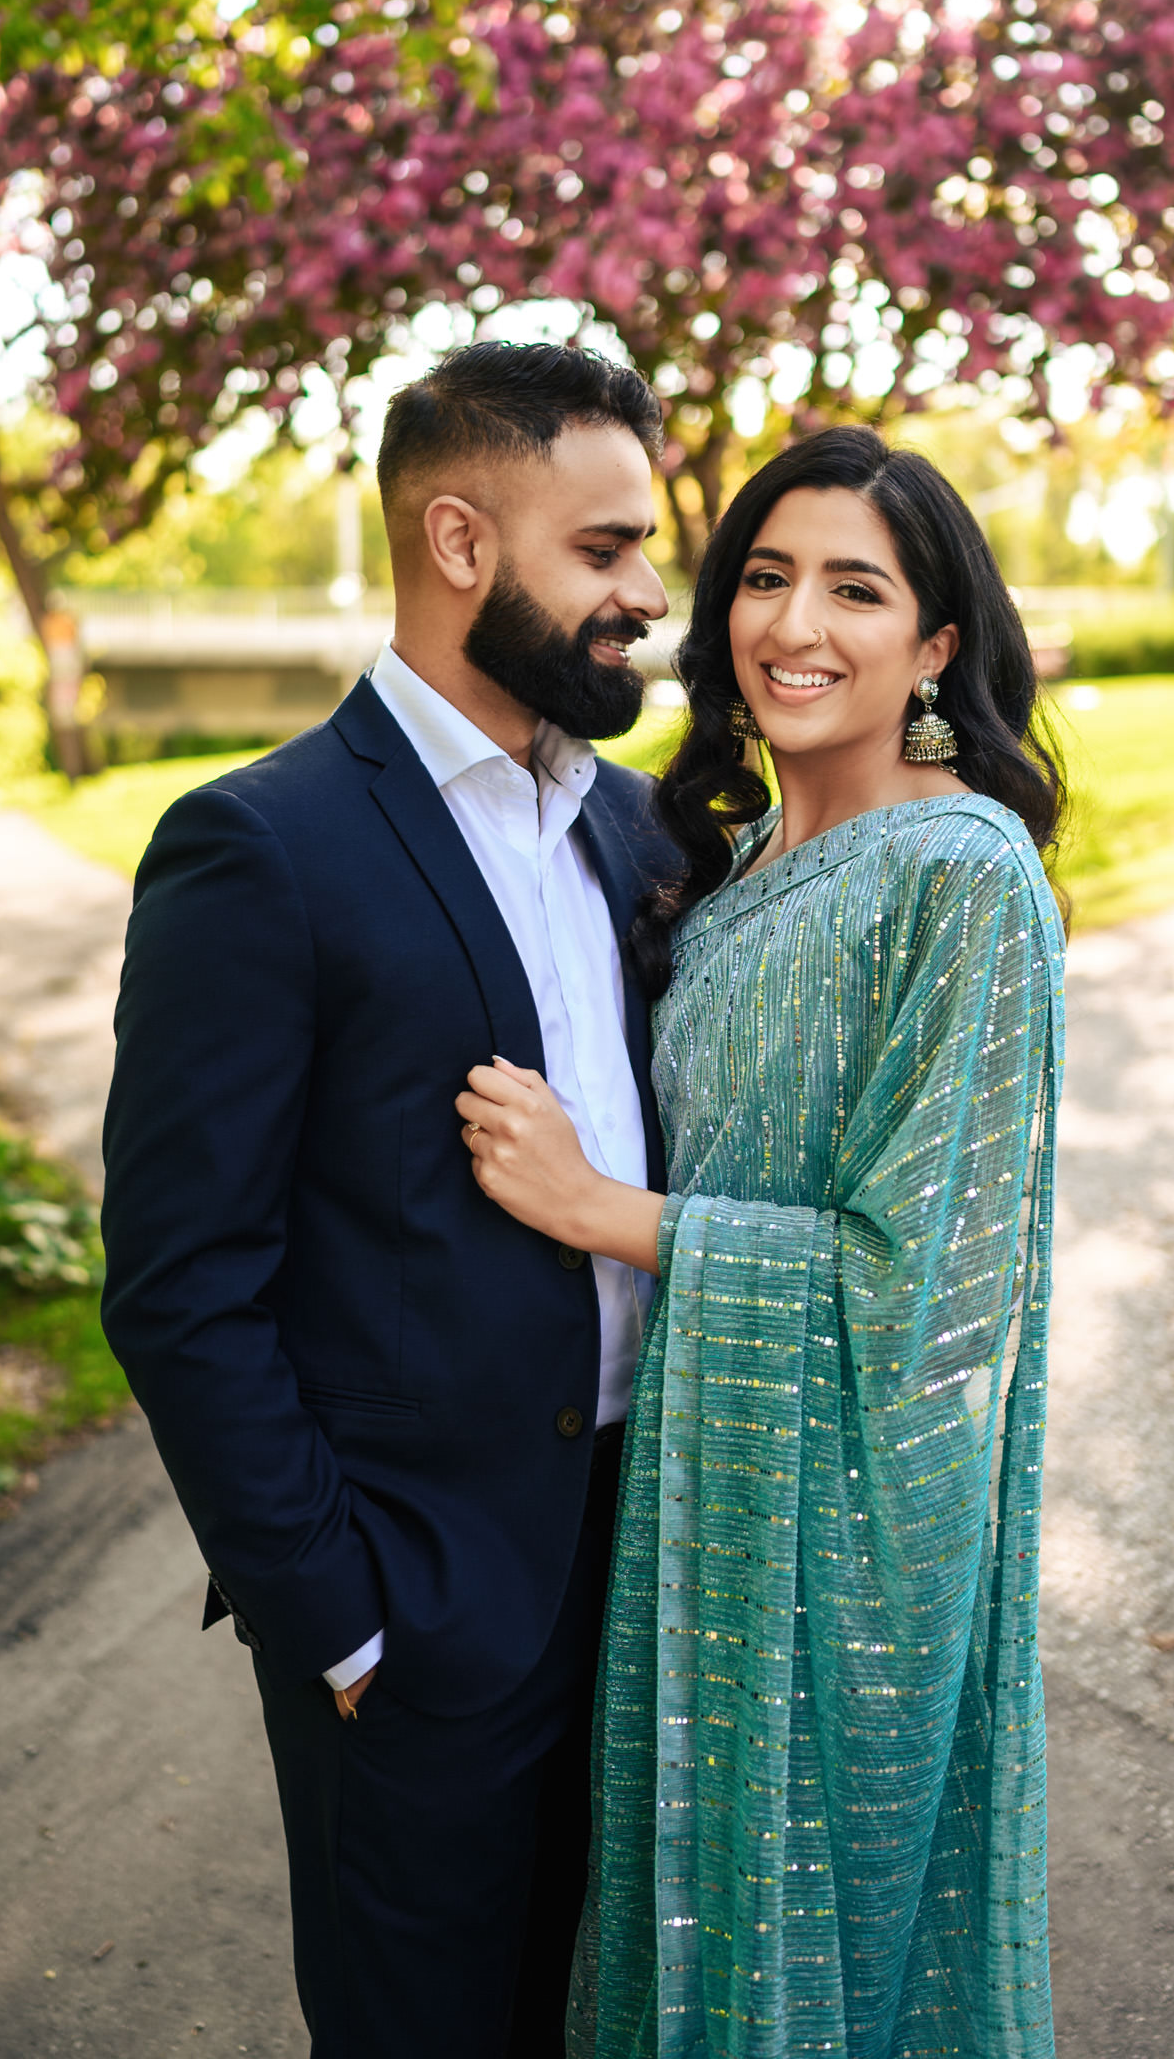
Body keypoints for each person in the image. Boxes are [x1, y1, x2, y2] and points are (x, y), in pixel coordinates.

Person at [457, 425, 1067, 2058]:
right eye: (768, 580)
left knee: (813, 1978)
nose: (797, 626)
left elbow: (926, 1290)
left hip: (850, 1541)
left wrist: (610, 1213)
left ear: (937, 645)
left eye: (856, 590)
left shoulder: (964, 880)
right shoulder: (726, 875)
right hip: (696, 1499)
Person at [100, 338, 679, 2059]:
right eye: (606, 549)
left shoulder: (648, 835)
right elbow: (181, 1282)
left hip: (650, 1580)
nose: (648, 593)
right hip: (414, 1617)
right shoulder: (260, 847)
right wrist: (333, 1611)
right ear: (459, 544)